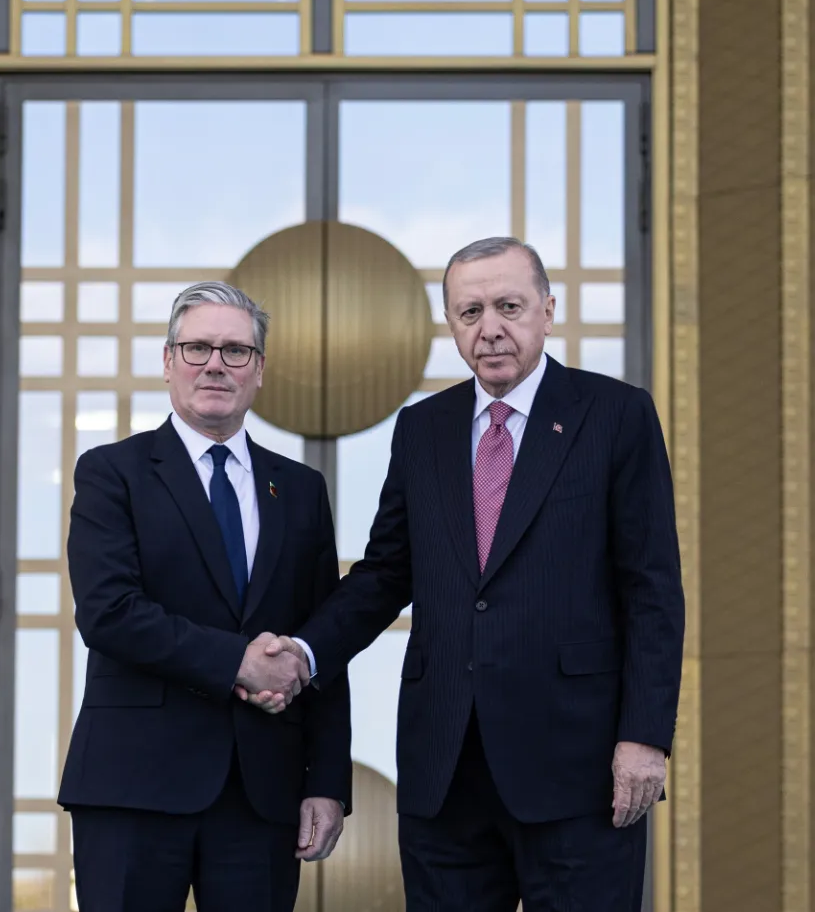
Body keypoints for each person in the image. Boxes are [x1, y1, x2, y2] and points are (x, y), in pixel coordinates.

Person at [242, 237, 685, 911]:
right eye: (470, 312)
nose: (490, 328)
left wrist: (644, 736)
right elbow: (386, 573)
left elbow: (651, 590)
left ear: (547, 310)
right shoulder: (423, 428)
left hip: (578, 766)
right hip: (444, 769)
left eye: (509, 306)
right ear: (450, 323)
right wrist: (304, 652)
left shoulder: (615, 415)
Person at [58, 282, 351, 912]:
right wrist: (238, 662)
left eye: (235, 351)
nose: (216, 364)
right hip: (133, 787)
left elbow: (321, 639)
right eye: (197, 348)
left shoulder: (301, 490)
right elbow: (108, 613)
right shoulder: (111, 472)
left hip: (261, 792)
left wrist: (327, 780)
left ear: (259, 370)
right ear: (169, 362)